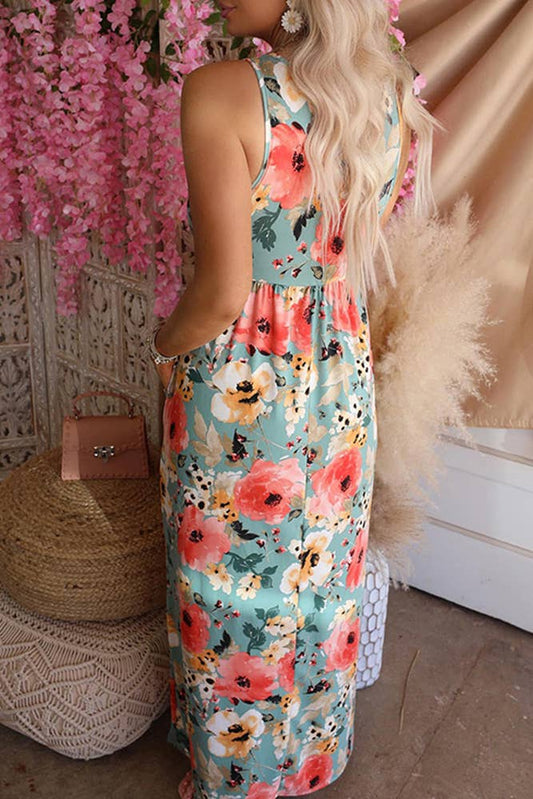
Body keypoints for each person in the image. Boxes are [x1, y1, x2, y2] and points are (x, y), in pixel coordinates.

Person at [147, 2, 440, 797]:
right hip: (339, 363)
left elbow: (222, 291)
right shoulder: (389, 88)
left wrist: (164, 348)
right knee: (319, 566)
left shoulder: (219, 91)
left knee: (228, 577)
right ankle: (307, 758)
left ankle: (233, 774)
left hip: (244, 376)